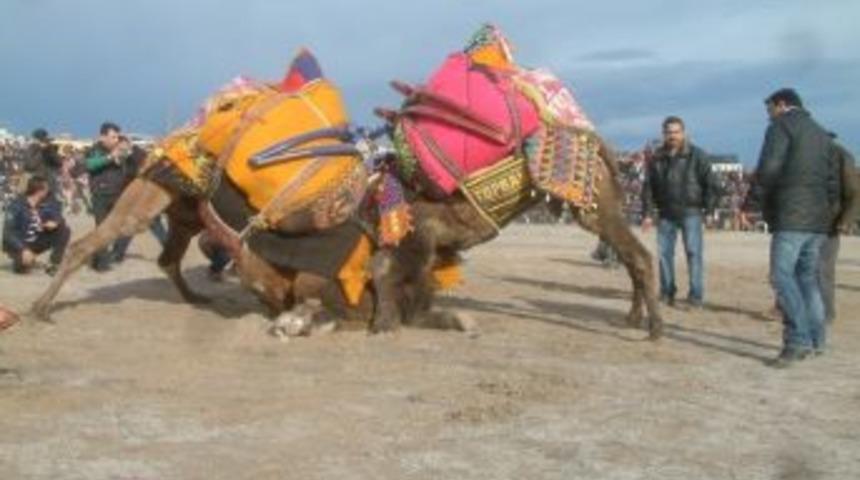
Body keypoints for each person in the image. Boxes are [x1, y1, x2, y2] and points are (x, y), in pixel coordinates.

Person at [745, 88, 839, 368]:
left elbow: (770, 166)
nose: (768, 115)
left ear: (781, 105)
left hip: (791, 215)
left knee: (782, 276)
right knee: (807, 279)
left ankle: (797, 340)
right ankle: (817, 340)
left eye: (769, 109)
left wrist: (752, 203)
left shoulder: (781, 127)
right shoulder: (821, 133)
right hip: (817, 220)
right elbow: (832, 182)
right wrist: (828, 214)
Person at [641, 116, 719, 309]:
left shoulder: (698, 155)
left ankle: (696, 296)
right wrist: (648, 214)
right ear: (663, 134)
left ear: (683, 133)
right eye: (669, 132)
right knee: (663, 255)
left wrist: (709, 211)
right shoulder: (656, 158)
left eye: (676, 132)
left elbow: (711, 185)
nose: (672, 135)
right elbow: (648, 188)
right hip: (666, 213)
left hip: (691, 212)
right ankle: (667, 292)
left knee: (694, 254)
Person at [818, 133, 858, 325]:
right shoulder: (807, 155)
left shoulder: (842, 156)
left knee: (823, 269)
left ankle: (825, 313)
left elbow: (854, 191)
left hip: (829, 221)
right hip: (808, 219)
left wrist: (846, 219)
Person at [84, 122, 133, 271]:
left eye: (117, 137)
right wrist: (111, 157)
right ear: (103, 136)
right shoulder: (95, 149)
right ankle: (101, 262)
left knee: (127, 227)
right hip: (100, 195)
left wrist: (124, 153)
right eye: (113, 137)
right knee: (103, 229)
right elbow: (90, 165)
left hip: (117, 194)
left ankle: (113, 254)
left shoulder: (120, 150)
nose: (116, 140)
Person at [2, 175, 70, 275]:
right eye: (46, 188)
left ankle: (54, 263)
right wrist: (23, 249)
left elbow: (57, 213)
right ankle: (22, 260)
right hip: (19, 243)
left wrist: (55, 221)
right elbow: (8, 233)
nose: (48, 191)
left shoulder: (46, 202)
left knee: (64, 230)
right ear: (39, 191)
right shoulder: (16, 205)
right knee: (22, 269)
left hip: (36, 240)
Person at [24, 128, 63, 195]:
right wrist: (41, 151)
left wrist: (49, 151)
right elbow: (31, 165)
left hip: (49, 181)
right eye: (41, 140)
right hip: (36, 180)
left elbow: (59, 163)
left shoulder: (49, 149)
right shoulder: (32, 148)